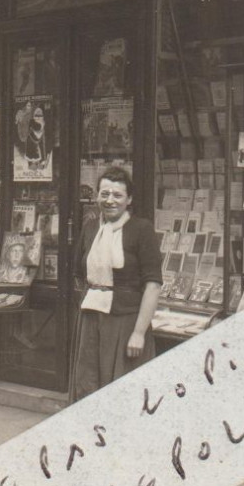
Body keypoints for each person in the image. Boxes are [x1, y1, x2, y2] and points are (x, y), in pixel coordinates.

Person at [72, 166, 162, 401]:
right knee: (88, 388)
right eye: (104, 194)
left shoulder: (142, 230)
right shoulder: (90, 228)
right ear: (97, 195)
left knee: (122, 391)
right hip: (92, 319)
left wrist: (139, 333)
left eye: (117, 195)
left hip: (126, 322)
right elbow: (79, 274)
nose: (110, 200)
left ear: (129, 199)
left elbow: (152, 285)